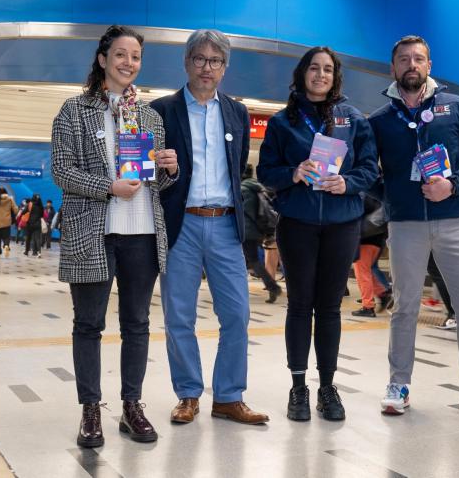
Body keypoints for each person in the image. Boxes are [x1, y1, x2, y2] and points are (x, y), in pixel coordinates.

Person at [51, 25, 179, 448]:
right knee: (88, 324)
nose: (129, 63)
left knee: (137, 324)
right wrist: (109, 186)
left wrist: (169, 168)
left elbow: (156, 182)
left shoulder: (150, 117)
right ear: (103, 59)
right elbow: (62, 171)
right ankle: (91, 410)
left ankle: (132, 406)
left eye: (136, 56)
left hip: (142, 231)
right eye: (121, 54)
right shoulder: (74, 111)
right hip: (94, 233)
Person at [369, 35, 459, 424]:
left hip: (453, 221)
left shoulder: (457, 107)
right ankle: (398, 385)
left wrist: (455, 184)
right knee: (405, 307)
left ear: (430, 65)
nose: (411, 65)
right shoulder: (379, 120)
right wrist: (392, 197)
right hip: (406, 224)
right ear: (392, 67)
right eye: (404, 59)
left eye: (419, 59)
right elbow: (367, 170)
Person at [151, 29, 269, 426]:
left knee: (236, 313)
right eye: (200, 59)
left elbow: (236, 171)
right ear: (187, 63)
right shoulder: (162, 110)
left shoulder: (236, 111)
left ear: (225, 68)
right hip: (180, 223)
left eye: (215, 61)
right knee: (179, 316)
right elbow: (145, 170)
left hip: (224, 225)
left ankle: (229, 396)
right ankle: (188, 394)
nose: (207, 67)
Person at [258, 46, 378, 421]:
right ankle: (298, 388)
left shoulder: (354, 119)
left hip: (342, 224)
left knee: (328, 308)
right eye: (314, 68)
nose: (321, 75)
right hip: (298, 225)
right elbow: (266, 172)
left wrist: (348, 183)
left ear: (335, 76)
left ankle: (327, 387)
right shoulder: (282, 122)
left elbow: (370, 170)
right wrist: (293, 172)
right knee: (299, 306)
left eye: (328, 69)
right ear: (302, 73)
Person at [241, 164, 282, 303]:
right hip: (258, 230)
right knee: (248, 260)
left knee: (253, 261)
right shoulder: (257, 187)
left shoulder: (243, 189)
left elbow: (243, 213)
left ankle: (273, 287)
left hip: (246, 231)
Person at [352, 181, 392, 317]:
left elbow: (359, 212)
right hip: (377, 239)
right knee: (368, 271)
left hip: (365, 239)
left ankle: (368, 307)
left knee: (362, 273)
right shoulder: (381, 191)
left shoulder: (365, 192)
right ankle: (382, 293)